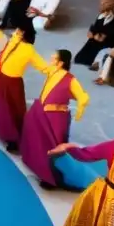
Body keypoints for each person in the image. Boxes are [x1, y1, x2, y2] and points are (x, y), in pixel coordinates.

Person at [20, 49, 89, 188]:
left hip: (55, 117)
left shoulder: (71, 80)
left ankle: (51, 178)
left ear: (61, 62)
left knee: (53, 145)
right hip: (40, 112)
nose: (51, 57)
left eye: (54, 57)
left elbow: (83, 97)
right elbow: (42, 66)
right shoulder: (52, 70)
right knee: (38, 141)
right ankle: (38, 167)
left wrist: (80, 111)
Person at [0, 20, 50, 152]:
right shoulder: (9, 41)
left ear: (23, 33)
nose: (15, 32)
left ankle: (14, 138)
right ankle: (5, 130)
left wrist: (54, 71)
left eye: (18, 30)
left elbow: (42, 66)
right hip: (0, 78)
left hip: (12, 83)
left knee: (12, 111)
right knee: (1, 108)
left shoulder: (29, 50)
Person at [73, 0, 114, 67]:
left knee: (96, 52)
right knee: (79, 57)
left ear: (111, 5)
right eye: (101, 3)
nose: (101, 5)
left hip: (108, 42)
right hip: (96, 39)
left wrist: (102, 36)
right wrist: (92, 33)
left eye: (104, 3)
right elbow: (95, 27)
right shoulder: (101, 16)